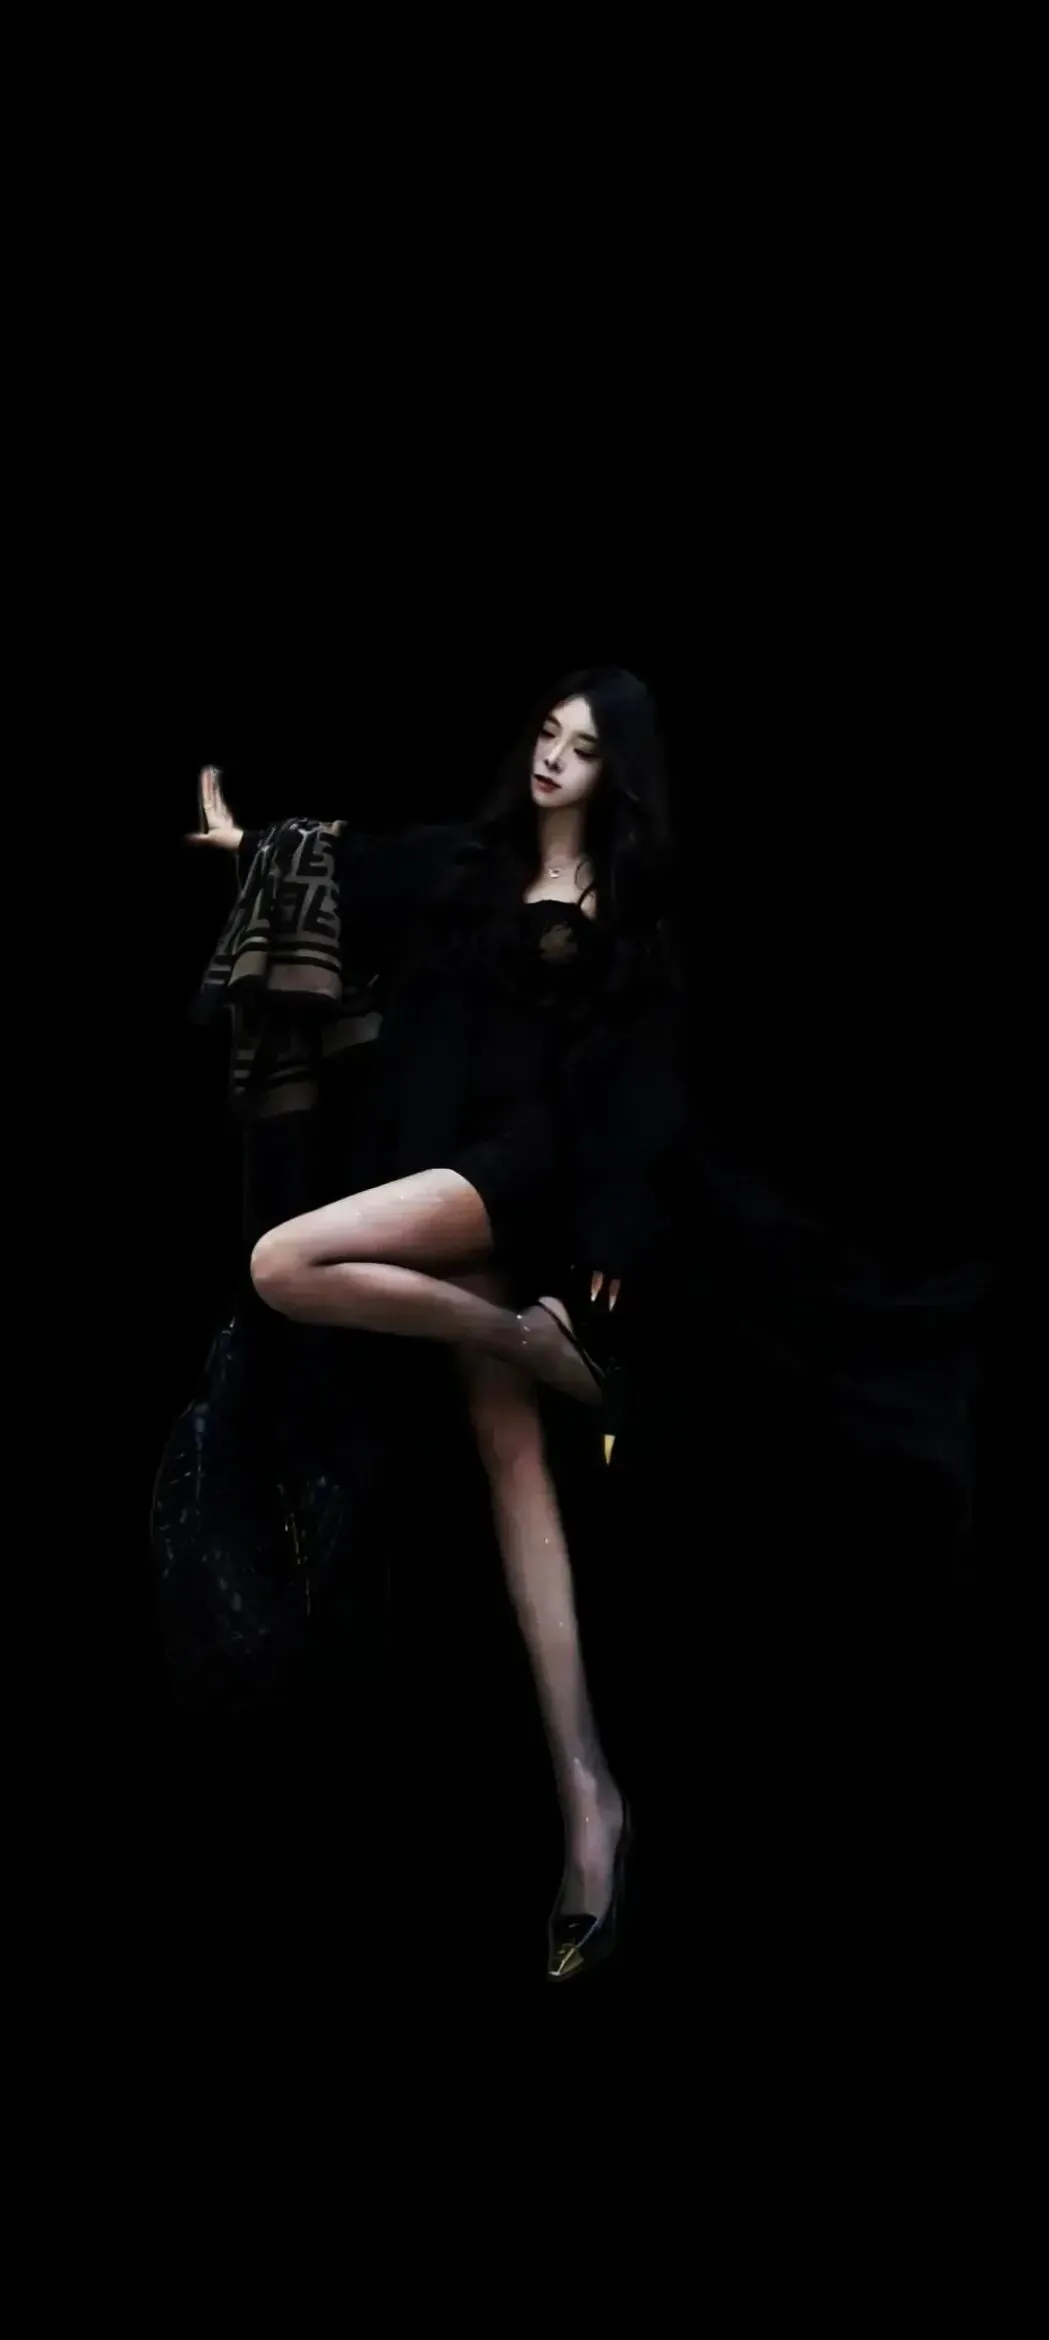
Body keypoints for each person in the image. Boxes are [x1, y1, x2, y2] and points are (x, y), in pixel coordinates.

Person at [184, 671, 686, 1983]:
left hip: (529, 1171)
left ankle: (537, 1335)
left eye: (584, 748)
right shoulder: (469, 863)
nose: (554, 759)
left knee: (285, 1261)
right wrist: (245, 845)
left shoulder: (628, 910)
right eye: (548, 733)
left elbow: (640, 1081)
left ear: (618, 773)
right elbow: (344, 861)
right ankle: (592, 1809)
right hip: (447, 1160)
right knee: (515, 1469)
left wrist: (613, 1234)